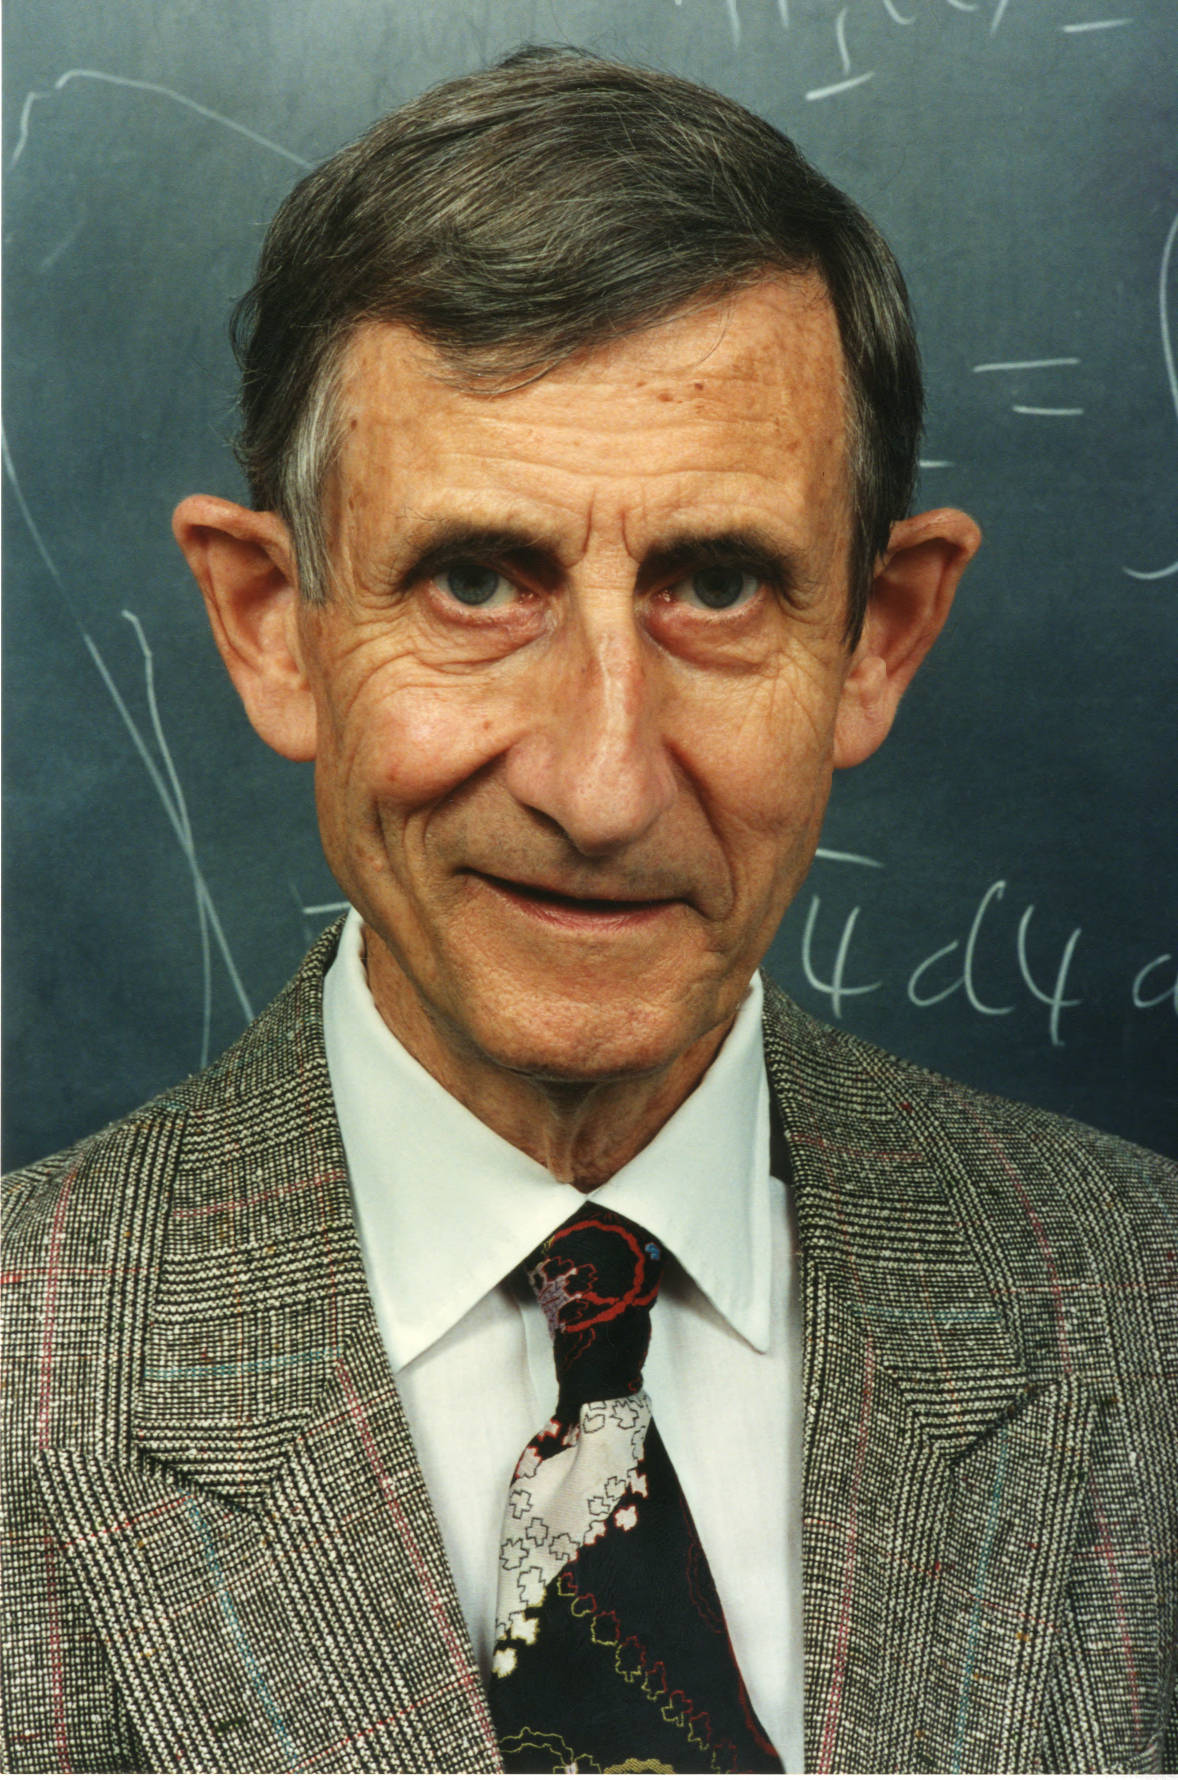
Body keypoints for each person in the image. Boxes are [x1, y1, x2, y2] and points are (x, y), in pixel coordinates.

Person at [3, 46, 1174, 1777]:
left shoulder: (1143, 1317)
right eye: (476, 581)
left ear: (875, 639)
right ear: (270, 625)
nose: (602, 783)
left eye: (719, 583)